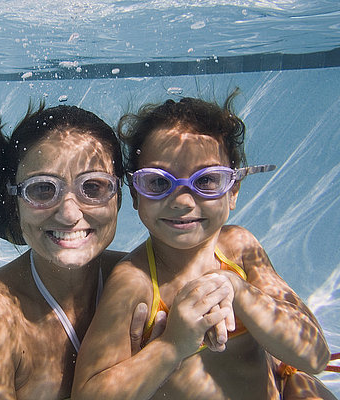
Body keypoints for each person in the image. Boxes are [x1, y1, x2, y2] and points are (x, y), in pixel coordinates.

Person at [71, 91, 334, 399]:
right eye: (158, 182)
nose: (182, 201)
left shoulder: (239, 249)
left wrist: (237, 290)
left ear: (233, 191)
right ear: (135, 194)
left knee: (304, 386)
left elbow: (315, 356)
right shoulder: (135, 281)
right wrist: (172, 345)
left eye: (207, 181)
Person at [0, 76, 157, 399]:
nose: (68, 214)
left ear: (119, 196)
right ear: (15, 201)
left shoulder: (144, 278)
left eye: (92, 187)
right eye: (42, 189)